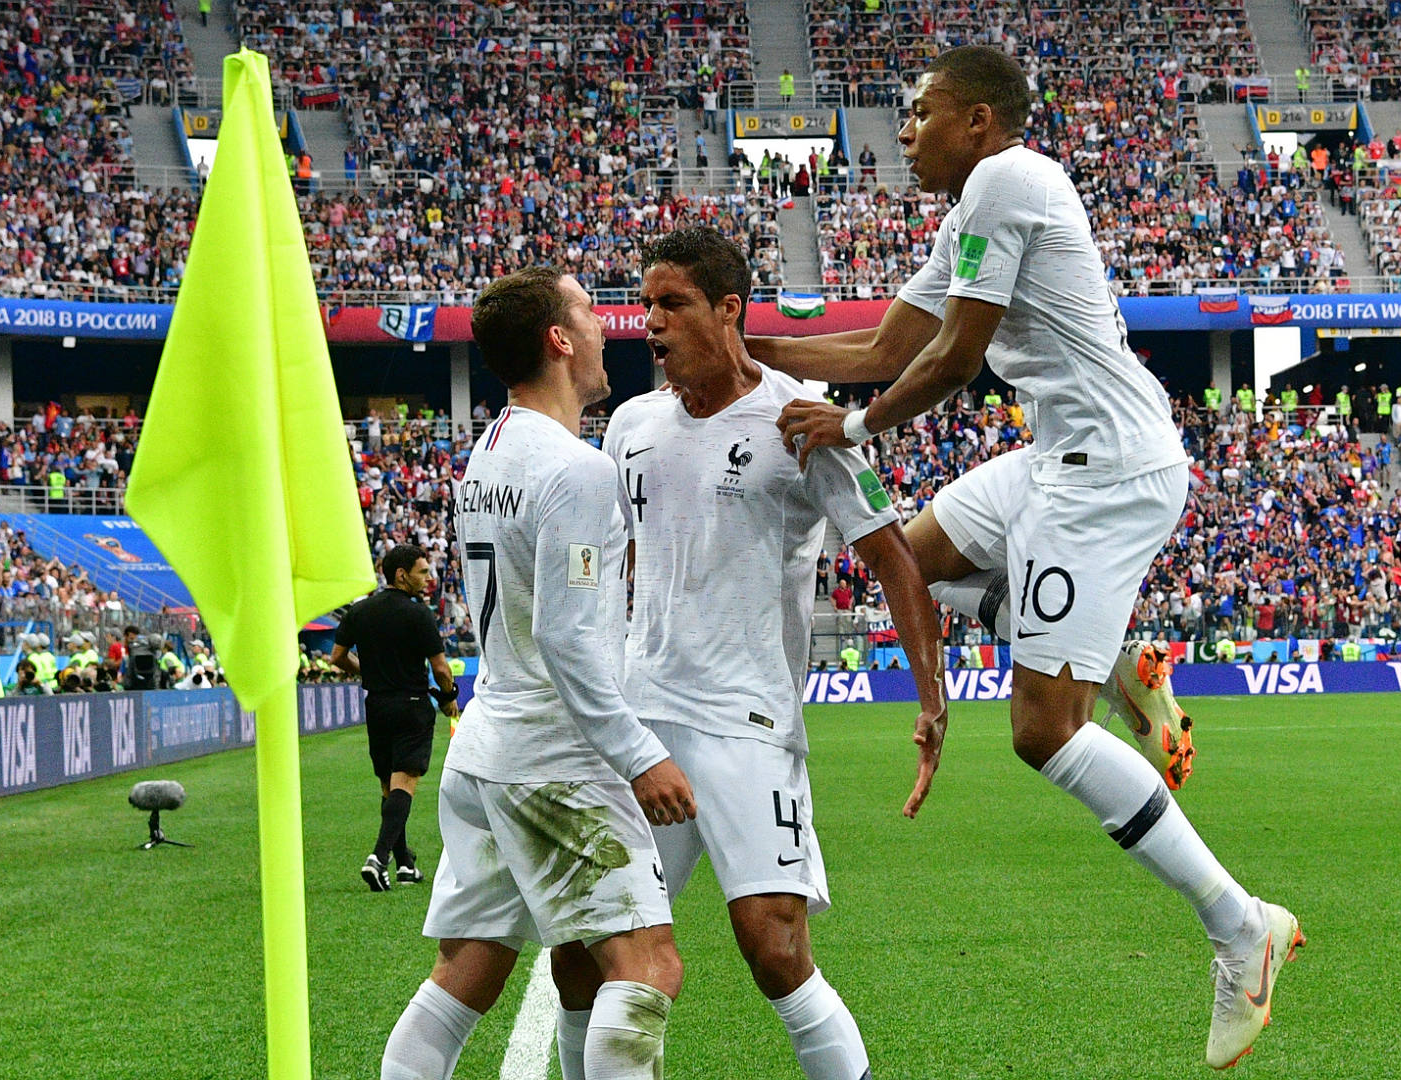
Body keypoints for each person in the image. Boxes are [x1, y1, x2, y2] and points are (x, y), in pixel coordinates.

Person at [756, 46, 1300, 1068]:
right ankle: (1120, 664)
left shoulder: (1012, 179)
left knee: (1043, 732)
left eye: (920, 113)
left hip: (1110, 474)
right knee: (905, 564)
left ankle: (1240, 928)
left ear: (977, 121)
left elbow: (951, 360)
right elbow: (882, 345)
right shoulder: (970, 210)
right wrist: (757, 353)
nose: (904, 131)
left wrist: (857, 431)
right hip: (1055, 459)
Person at [552, 228, 947, 1080]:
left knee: (774, 948)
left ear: (729, 309)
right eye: (646, 303)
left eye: (674, 303)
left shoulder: (801, 419)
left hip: (746, 721)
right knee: (586, 953)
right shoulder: (630, 425)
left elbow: (892, 557)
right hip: (641, 721)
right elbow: (611, 563)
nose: (651, 321)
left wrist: (932, 699)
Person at [379, 267, 695, 1080]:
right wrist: (640, 756)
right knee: (649, 965)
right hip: (555, 757)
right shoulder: (577, 471)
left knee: (468, 976)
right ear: (559, 340)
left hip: (485, 749)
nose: (604, 325)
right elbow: (568, 639)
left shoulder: (486, 455)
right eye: (589, 312)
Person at [331, 543, 463, 891]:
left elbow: (337, 657)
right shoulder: (418, 614)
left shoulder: (359, 612)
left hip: (377, 706)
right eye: (422, 571)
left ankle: (405, 864)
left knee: (390, 788)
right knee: (405, 784)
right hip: (413, 704)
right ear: (401, 575)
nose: (428, 578)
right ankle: (378, 857)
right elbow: (440, 667)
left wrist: (369, 672)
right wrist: (449, 699)